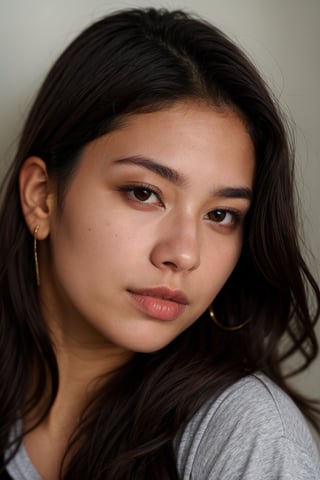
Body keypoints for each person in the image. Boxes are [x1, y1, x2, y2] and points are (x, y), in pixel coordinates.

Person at [0, 7, 319, 480]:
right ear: (41, 198)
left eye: (220, 215)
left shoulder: (246, 434)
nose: (184, 254)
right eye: (144, 193)